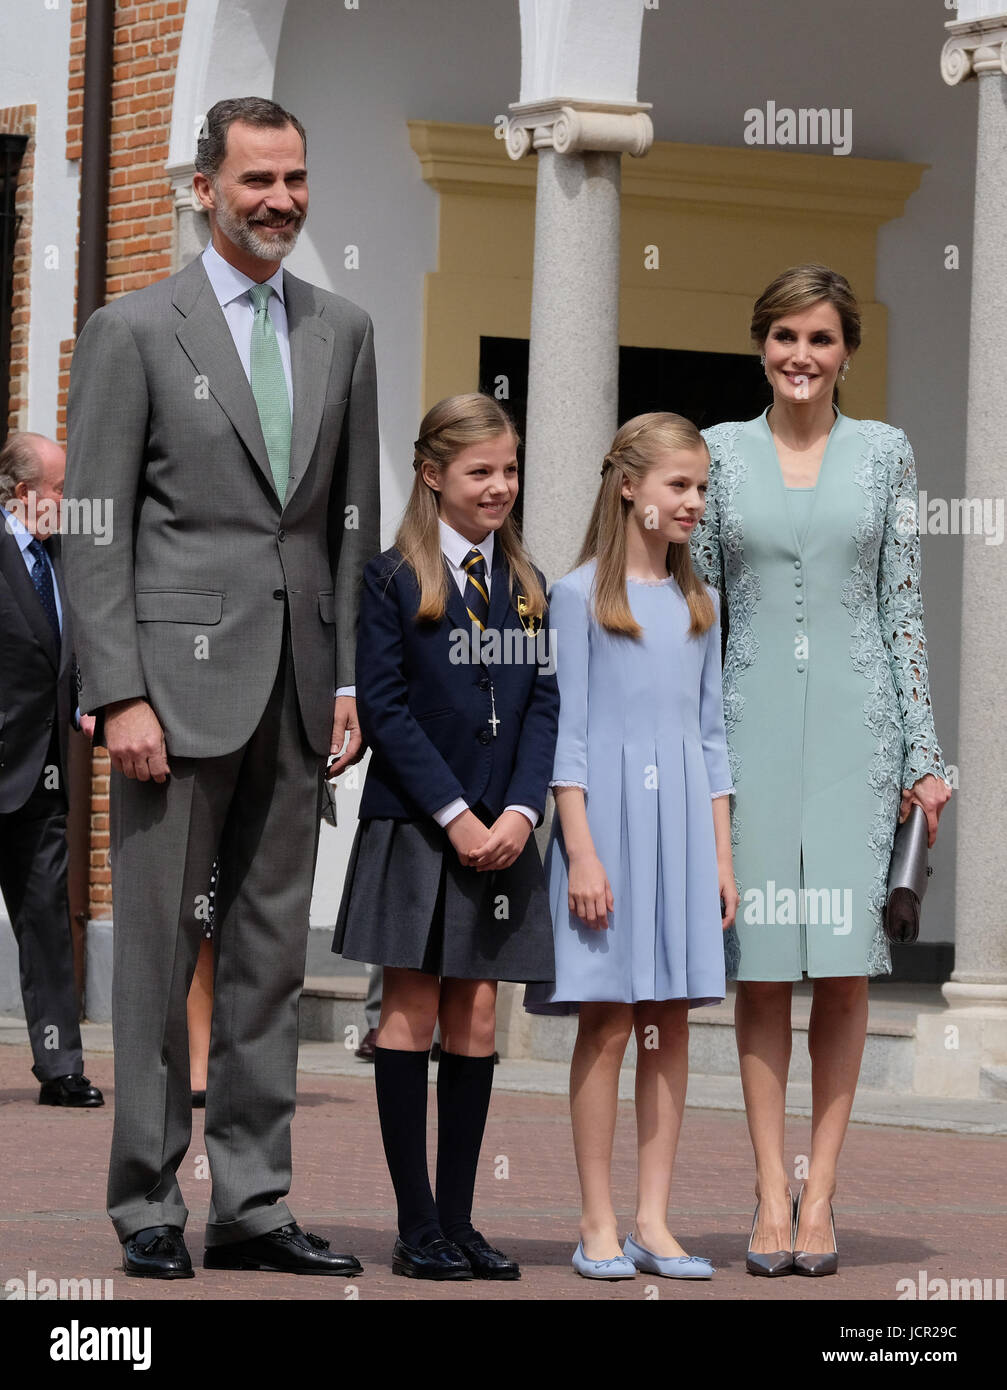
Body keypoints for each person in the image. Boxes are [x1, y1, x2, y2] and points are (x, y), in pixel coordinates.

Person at [63, 97, 379, 1280]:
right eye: (256, 181)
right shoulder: (134, 330)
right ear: (205, 187)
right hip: (171, 699)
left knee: (268, 960)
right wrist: (120, 691)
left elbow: (344, 523)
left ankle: (252, 1202)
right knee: (153, 957)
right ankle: (146, 1198)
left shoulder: (343, 331)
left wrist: (345, 674)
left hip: (298, 695)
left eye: (295, 178)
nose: (280, 201)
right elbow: (95, 530)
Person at [691, 264, 952, 1277]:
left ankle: (821, 1194)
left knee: (843, 969)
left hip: (859, 730)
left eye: (819, 339)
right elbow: (700, 615)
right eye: (783, 337)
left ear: (846, 352)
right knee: (760, 969)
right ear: (759, 344)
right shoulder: (718, 453)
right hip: (747, 727)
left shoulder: (884, 453)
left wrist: (923, 753)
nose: (799, 356)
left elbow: (901, 606)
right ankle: (766, 1190)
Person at [333, 393, 559, 1281]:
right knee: (411, 1010)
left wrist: (519, 813)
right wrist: (455, 815)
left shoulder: (528, 585)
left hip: (502, 831)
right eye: (481, 472)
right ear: (433, 476)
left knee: (474, 1014)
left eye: (509, 470)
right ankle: (415, 1224)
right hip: (419, 827)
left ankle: (461, 1221)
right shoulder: (392, 578)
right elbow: (383, 706)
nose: (499, 486)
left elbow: (542, 705)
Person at [525, 413, 737, 1281]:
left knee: (670, 1024)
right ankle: (597, 1220)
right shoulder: (576, 596)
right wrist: (578, 852)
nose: (692, 502)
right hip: (604, 828)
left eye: (700, 487)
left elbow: (714, 736)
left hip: (685, 828)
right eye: (677, 485)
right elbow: (565, 737)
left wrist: (722, 859)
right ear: (628, 487)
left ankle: (654, 1218)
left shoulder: (701, 602)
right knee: (608, 1023)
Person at [0, 431, 102, 1109]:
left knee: (47, 922)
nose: (70, 502)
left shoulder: (66, 559)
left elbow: (76, 649)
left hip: (44, 777)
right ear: (21, 492)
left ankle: (62, 1066)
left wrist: (90, 703)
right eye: (62, 489)